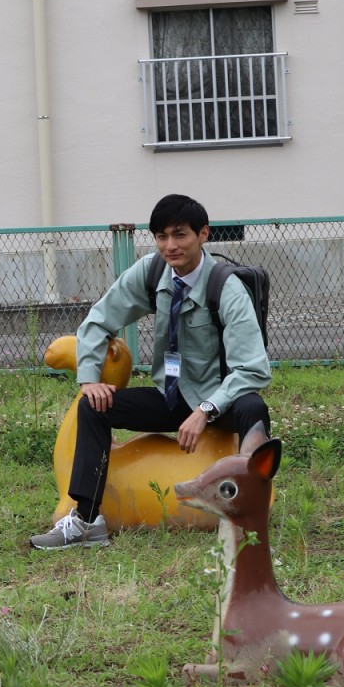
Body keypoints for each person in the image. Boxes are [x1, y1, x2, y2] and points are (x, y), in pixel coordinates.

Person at [29, 194, 271, 550]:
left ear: (203, 234)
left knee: (254, 407)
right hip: (171, 395)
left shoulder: (227, 288)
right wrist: (89, 379)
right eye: (161, 236)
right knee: (92, 407)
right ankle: (86, 520)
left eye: (179, 235)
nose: (169, 246)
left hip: (218, 400)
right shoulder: (152, 270)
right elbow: (98, 321)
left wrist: (205, 410)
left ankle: (249, 512)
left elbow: (253, 368)